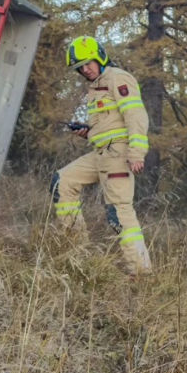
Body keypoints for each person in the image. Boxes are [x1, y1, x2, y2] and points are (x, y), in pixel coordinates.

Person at [53, 36, 152, 275]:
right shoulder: (96, 85)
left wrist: (137, 152)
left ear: (100, 57)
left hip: (119, 153)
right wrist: (88, 132)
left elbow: (136, 116)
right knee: (61, 182)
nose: (85, 69)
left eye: (88, 63)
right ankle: (78, 250)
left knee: (119, 211)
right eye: (80, 67)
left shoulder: (118, 78)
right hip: (100, 153)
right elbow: (109, 124)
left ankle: (140, 272)